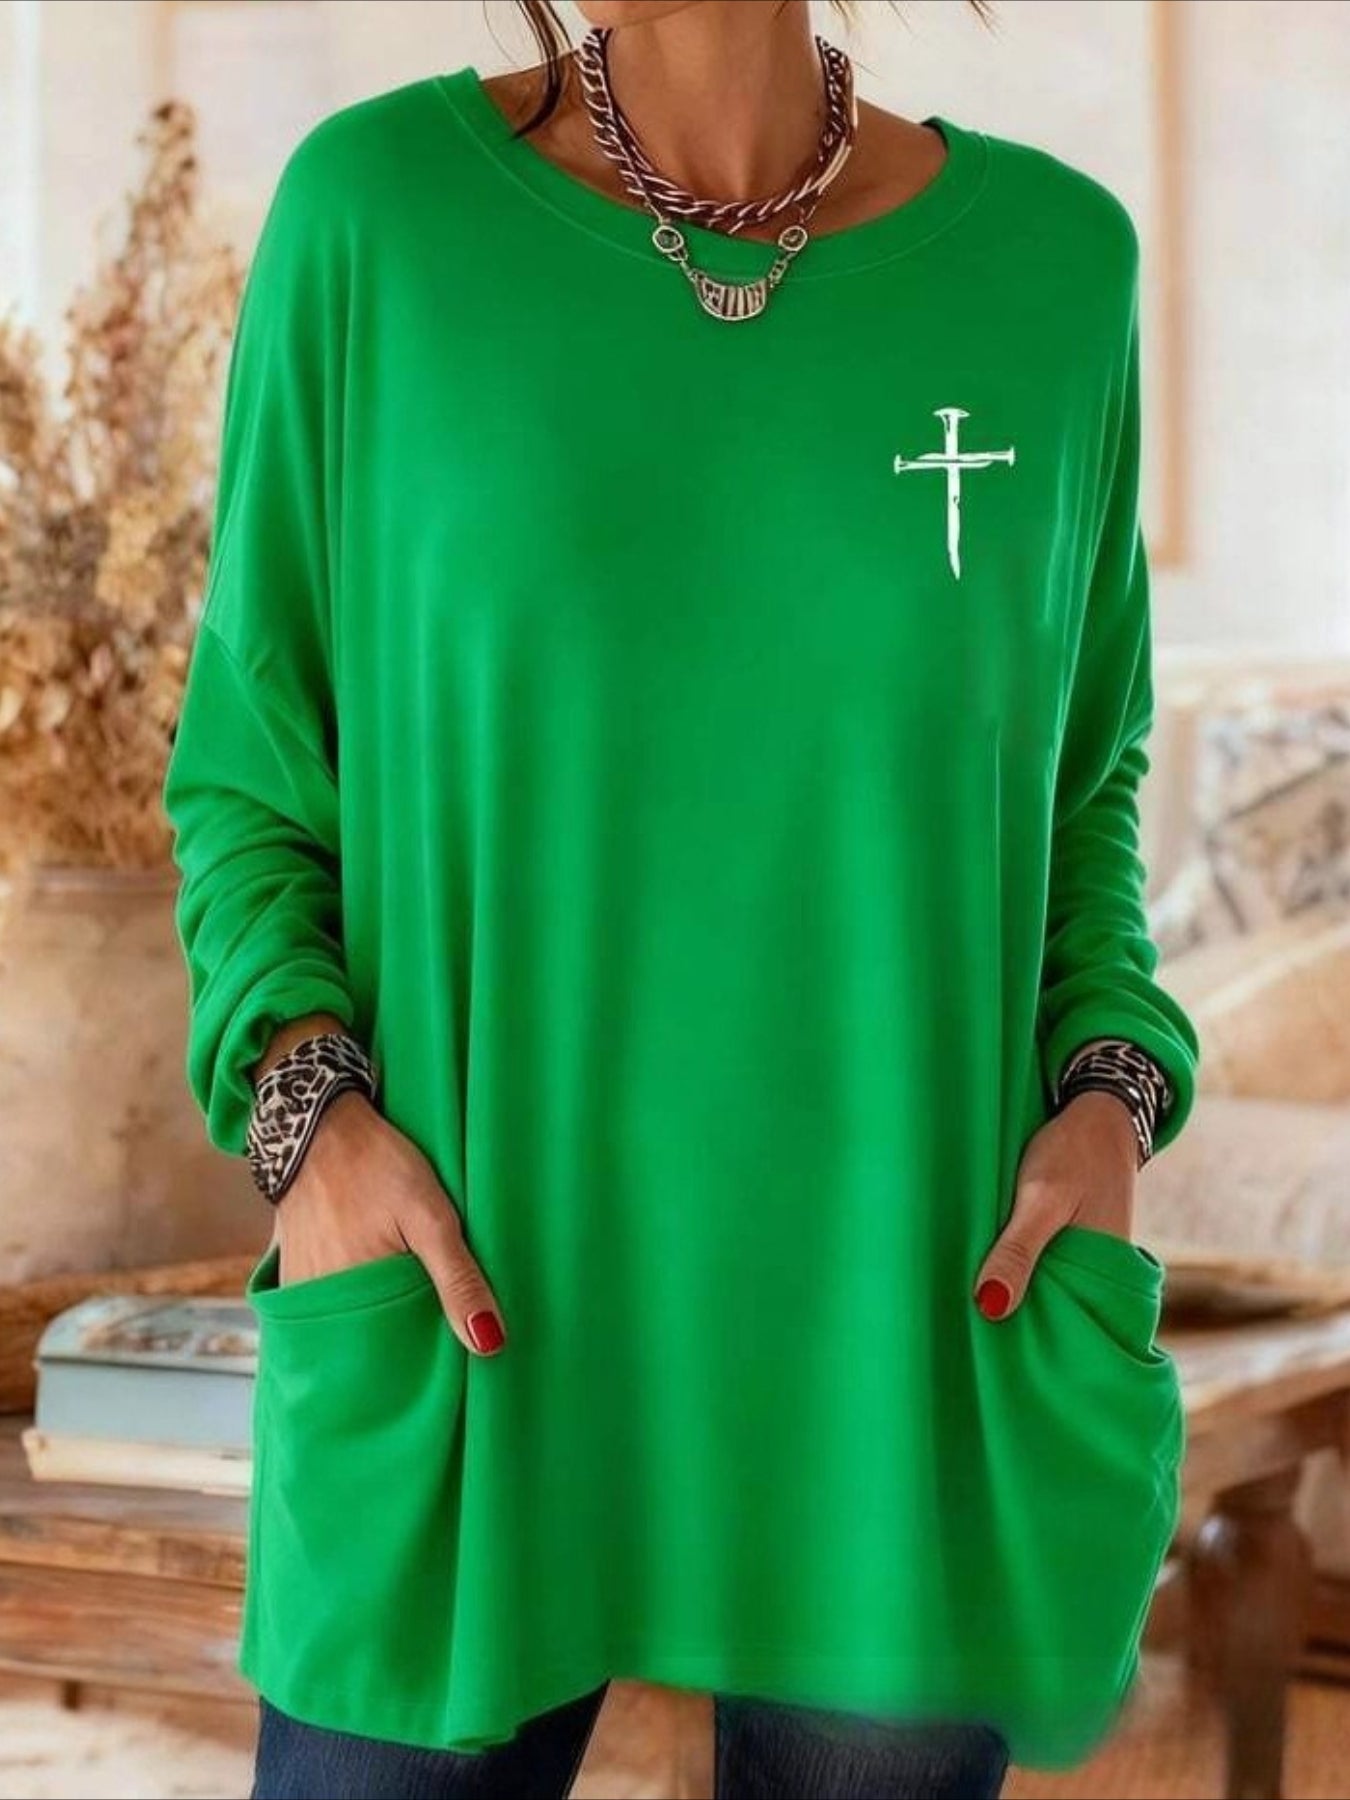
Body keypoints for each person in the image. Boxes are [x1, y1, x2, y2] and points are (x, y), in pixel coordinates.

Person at [161, 1, 1201, 1795]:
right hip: (465, 1319)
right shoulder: (379, 219)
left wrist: (1109, 1094)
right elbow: (252, 769)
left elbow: (1079, 785)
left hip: (900, 1355)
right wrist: (308, 1126)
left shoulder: (1050, 269)